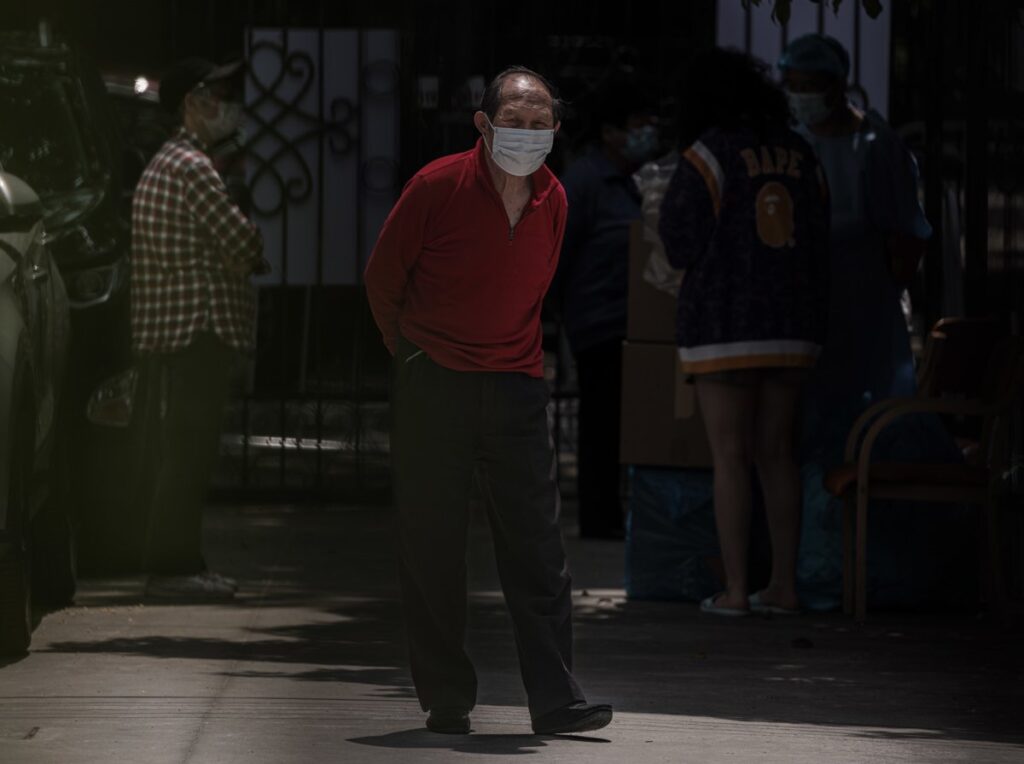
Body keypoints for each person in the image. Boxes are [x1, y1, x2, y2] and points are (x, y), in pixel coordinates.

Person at [364, 66, 612, 736]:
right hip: (433, 382)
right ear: (483, 124)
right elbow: (383, 280)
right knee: (433, 545)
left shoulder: (553, 198)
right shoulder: (435, 186)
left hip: (517, 386)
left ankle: (556, 700)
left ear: (555, 132)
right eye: (514, 122)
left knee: (537, 549)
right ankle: (447, 697)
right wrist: (414, 357)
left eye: (540, 126)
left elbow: (536, 289)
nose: (527, 136)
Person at [659, 48, 830, 616]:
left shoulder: (709, 153)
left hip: (723, 326)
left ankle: (735, 591)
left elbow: (679, 239)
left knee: (730, 456)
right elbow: (822, 234)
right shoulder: (801, 151)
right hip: (791, 327)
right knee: (777, 453)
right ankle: (783, 585)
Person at [778, 35, 946, 610]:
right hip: (807, 314)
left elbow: (906, 238)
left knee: (874, 430)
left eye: (809, 88)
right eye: (792, 88)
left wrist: (878, 292)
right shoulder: (794, 142)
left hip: (866, 314)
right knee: (807, 435)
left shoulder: (876, 146)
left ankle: (883, 574)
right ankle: (816, 570)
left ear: (835, 85)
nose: (800, 99)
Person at [131, 57, 268, 599]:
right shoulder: (190, 166)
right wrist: (246, 252)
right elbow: (242, 241)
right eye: (215, 93)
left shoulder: (172, 162)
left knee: (182, 448)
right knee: (188, 451)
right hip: (197, 327)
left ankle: (179, 563)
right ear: (192, 102)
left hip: (180, 329)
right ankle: (174, 568)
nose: (225, 104)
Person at [552, 80, 659, 539]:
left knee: (630, 422)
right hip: (600, 321)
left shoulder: (643, 176)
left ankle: (621, 517)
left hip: (639, 320)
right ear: (611, 132)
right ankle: (600, 520)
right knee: (602, 423)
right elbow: (560, 251)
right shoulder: (586, 181)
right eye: (637, 124)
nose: (648, 131)